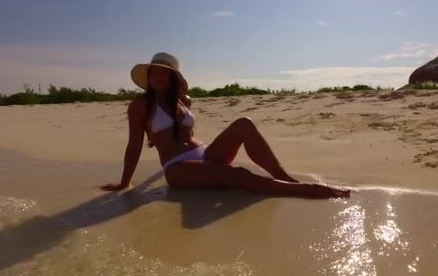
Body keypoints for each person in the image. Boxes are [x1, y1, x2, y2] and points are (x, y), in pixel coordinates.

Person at [101, 52, 350, 198]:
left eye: (164, 72)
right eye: (155, 71)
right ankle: (307, 190)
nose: (158, 76)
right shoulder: (141, 105)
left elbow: (186, 132)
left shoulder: (184, 100)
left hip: (206, 154)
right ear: (149, 75)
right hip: (178, 168)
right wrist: (125, 182)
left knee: (244, 123)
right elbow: (134, 145)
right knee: (239, 175)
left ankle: (284, 178)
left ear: (173, 77)